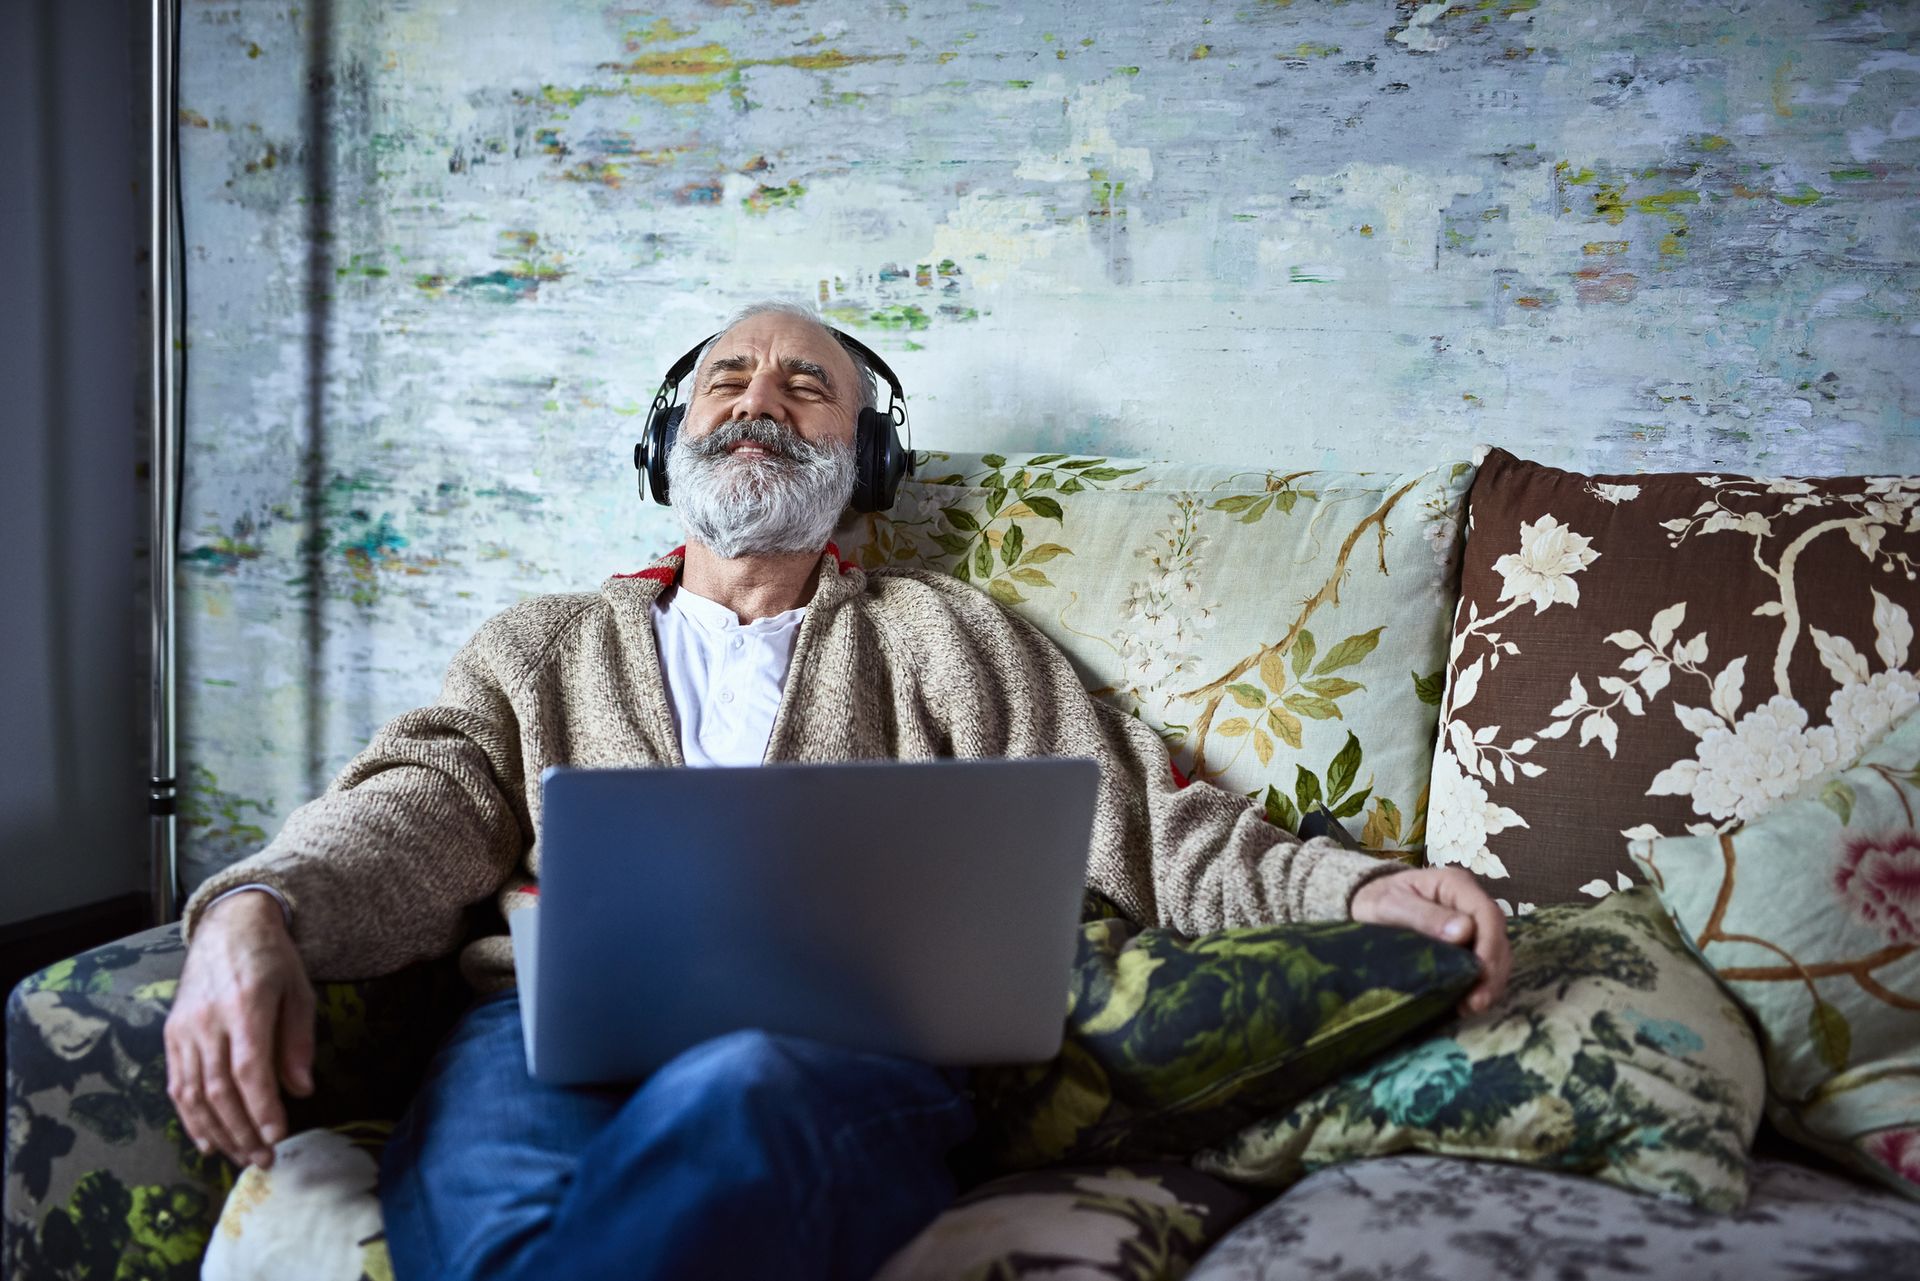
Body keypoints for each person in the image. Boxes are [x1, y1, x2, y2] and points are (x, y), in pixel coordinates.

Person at [165, 300, 1512, 1281]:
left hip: (825, 1063)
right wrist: (254, 908)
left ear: (861, 464)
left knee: (737, 1092)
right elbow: (402, 806)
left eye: (806, 385)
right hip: (532, 1048)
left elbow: (1160, 830)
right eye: (726, 379)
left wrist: (1360, 883)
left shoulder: (950, 638)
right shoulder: (540, 646)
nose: (759, 398)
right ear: (669, 446)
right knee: (504, 1217)